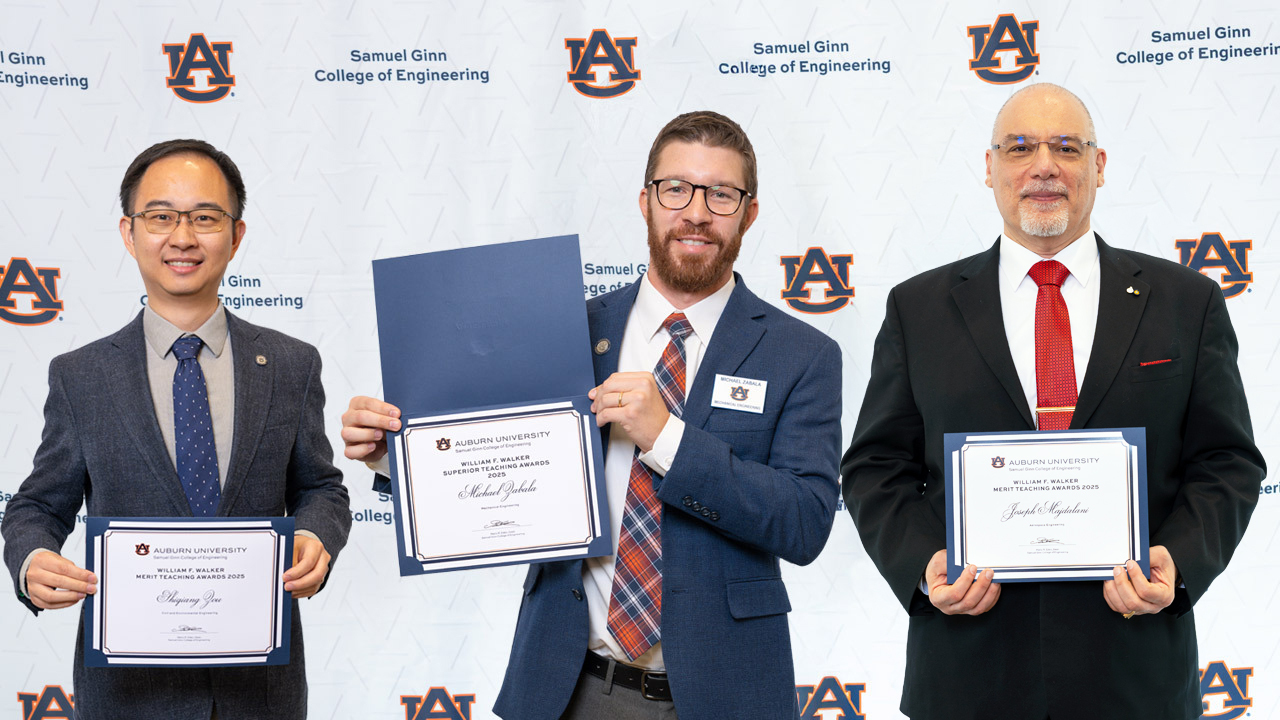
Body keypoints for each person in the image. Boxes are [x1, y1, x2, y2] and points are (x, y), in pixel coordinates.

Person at [342, 111, 842, 719]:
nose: (697, 212)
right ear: (646, 201)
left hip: (723, 694)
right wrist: (398, 459)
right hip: (566, 687)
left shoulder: (802, 354)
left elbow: (806, 522)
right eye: (677, 188)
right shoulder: (569, 330)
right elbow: (491, 468)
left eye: (722, 194)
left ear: (750, 212)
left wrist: (667, 439)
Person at [841, 83, 1265, 720]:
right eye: (1020, 148)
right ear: (990, 169)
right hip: (967, 672)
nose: (1044, 164)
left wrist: (1176, 563)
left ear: (1098, 167)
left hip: (1134, 673)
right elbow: (875, 468)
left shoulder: (1187, 302)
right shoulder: (918, 308)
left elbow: (1228, 463)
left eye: (1067, 147)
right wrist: (925, 565)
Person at [1, 139, 352, 719]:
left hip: (260, 692)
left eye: (205, 218)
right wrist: (31, 556)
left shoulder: (292, 364)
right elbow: (38, 504)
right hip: (127, 694)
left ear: (236, 235)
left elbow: (320, 487)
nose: (183, 237)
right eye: (161, 217)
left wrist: (319, 535)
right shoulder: (81, 376)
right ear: (129, 233)